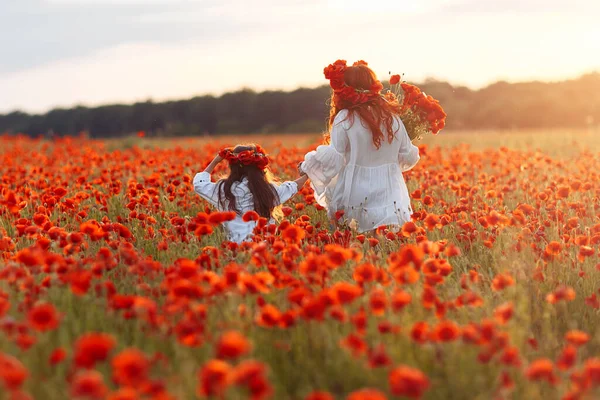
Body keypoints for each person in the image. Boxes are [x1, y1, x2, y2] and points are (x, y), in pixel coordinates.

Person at [299, 60, 420, 233]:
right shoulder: (393, 118)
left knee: (358, 250)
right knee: (389, 252)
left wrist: (307, 166)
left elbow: (334, 159)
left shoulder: (345, 118)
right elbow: (409, 156)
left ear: (344, 89)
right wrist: (389, 160)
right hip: (391, 197)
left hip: (355, 196)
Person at [193, 144, 308, 243]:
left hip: (237, 250)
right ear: (259, 166)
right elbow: (292, 187)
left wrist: (217, 159)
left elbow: (199, 184)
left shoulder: (224, 190)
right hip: (264, 247)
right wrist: (308, 173)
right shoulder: (267, 190)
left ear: (232, 166)